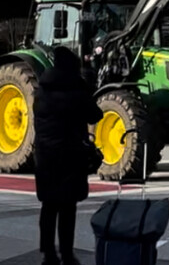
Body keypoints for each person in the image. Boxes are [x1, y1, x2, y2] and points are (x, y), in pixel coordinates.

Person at [33, 46, 103, 265]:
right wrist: (87, 87)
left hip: (45, 155)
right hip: (70, 155)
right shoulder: (76, 91)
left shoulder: (41, 91)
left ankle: (48, 254)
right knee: (67, 207)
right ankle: (66, 253)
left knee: (49, 205)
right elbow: (95, 115)